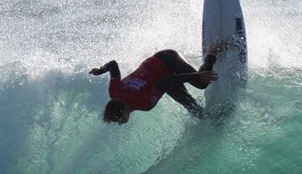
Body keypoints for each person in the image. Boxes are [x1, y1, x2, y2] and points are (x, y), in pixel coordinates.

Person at [90, 49, 218, 123]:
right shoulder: (114, 92)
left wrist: (198, 76)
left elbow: (168, 81)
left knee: (201, 84)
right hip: (162, 76)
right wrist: (100, 70)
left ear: (124, 110)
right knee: (193, 108)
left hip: (166, 59)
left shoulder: (144, 103)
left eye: (118, 120)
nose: (119, 123)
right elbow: (112, 64)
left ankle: (212, 55)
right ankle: (216, 119)